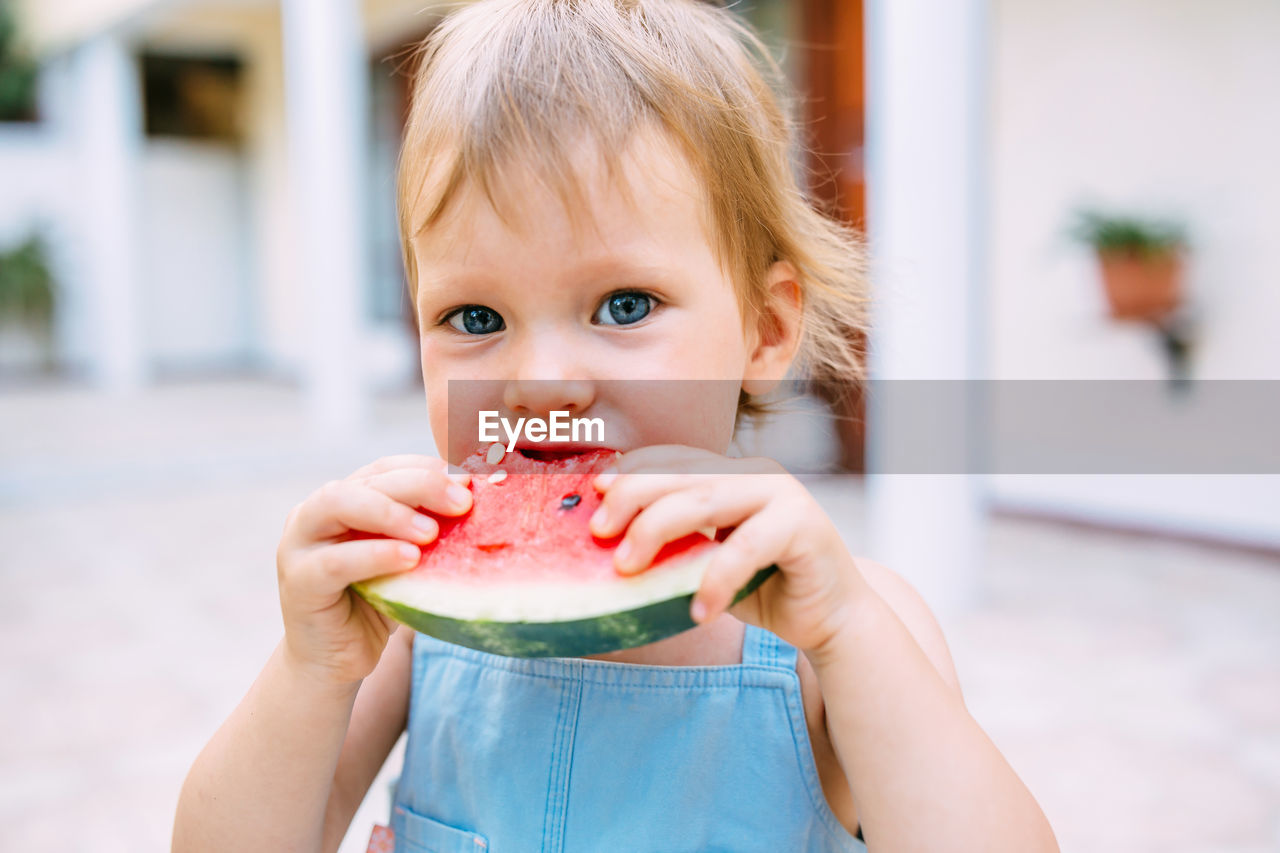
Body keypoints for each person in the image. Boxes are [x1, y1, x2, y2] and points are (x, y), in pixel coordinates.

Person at [173, 1, 1058, 850]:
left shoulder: (841, 638)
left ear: (765, 329)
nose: (539, 383)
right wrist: (307, 668)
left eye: (624, 304)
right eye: (475, 318)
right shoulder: (415, 627)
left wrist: (846, 628)